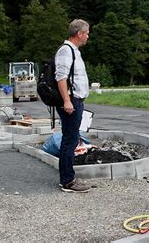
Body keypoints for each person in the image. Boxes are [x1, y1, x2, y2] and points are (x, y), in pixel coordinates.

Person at [56, 19, 91, 193]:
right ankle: (67, 181)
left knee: (70, 139)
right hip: (71, 102)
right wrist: (67, 101)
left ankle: (67, 178)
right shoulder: (66, 50)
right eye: (86, 33)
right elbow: (60, 77)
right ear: (79, 34)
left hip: (76, 100)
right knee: (69, 141)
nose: (87, 36)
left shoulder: (73, 51)